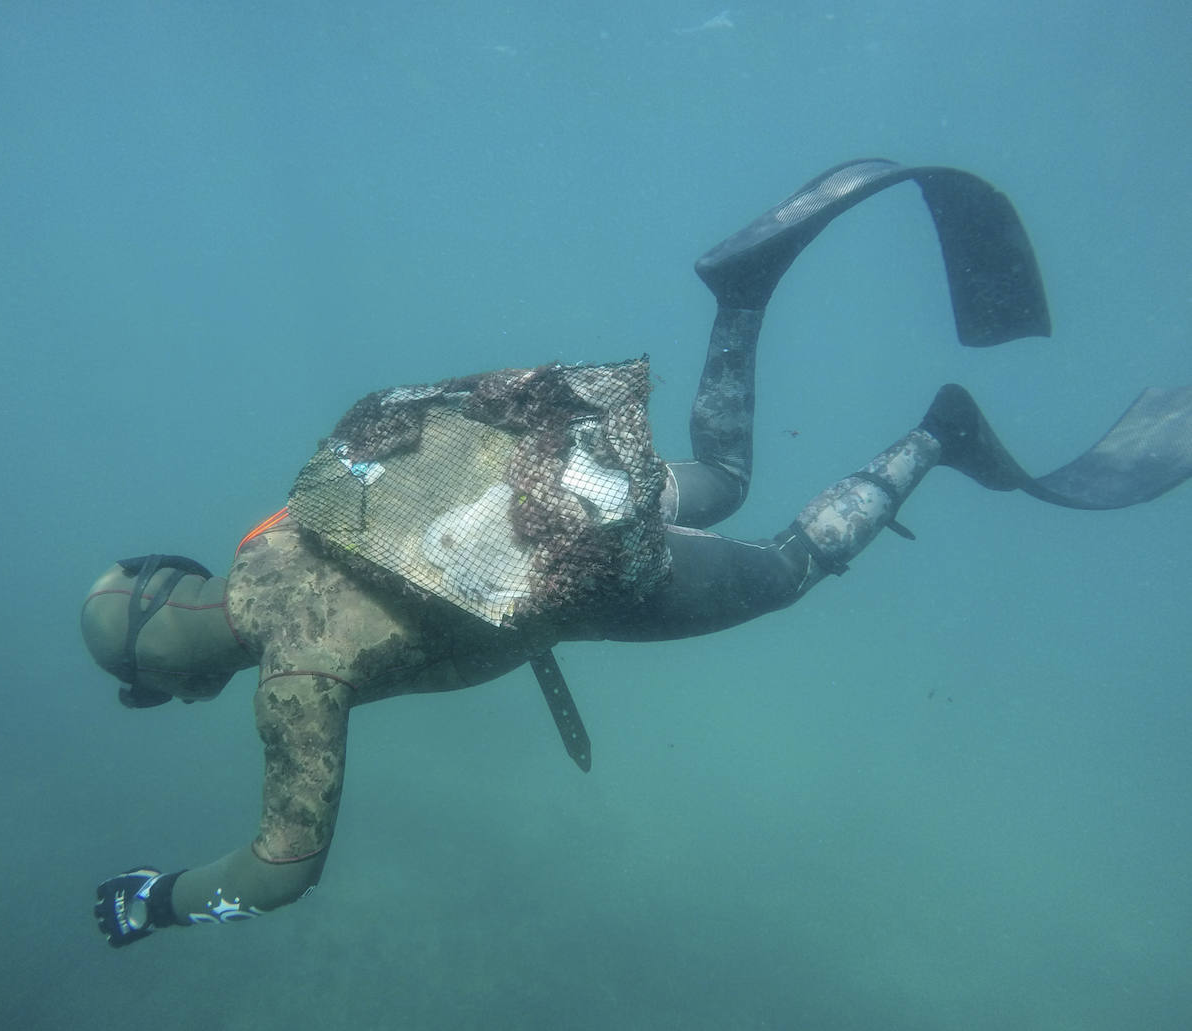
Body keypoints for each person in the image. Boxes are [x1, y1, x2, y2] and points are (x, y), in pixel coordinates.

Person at [83, 159, 1192, 947]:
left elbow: (280, 874)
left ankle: (937, 437)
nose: (178, 703)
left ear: (168, 676)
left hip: (590, 572)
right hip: (565, 494)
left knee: (785, 570)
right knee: (725, 478)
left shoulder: (291, 685)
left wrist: (162, 898)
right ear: (173, 574)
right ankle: (743, 294)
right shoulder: (275, 528)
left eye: (155, 693)